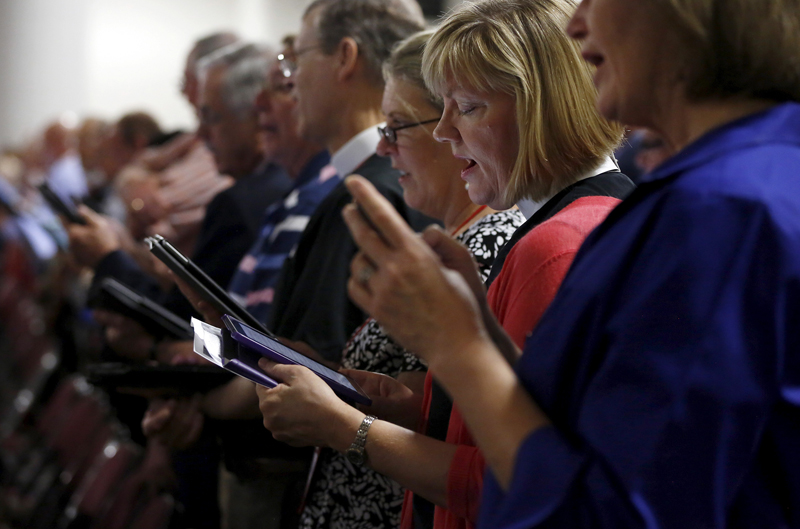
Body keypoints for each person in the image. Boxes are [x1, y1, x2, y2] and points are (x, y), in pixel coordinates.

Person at [335, 0, 800, 527]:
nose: (577, 24)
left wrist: (454, 344)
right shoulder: (725, 184)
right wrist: (477, 327)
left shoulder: (723, 209)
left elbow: (607, 510)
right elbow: (576, 425)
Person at [257, 2, 633, 528]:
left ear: (540, 108)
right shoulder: (571, 224)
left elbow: (509, 481)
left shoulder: (558, 245)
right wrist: (405, 404)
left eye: (469, 107)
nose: (443, 131)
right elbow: (511, 425)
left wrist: (343, 426)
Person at [268, 30, 525, 529]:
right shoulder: (459, 237)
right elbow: (448, 397)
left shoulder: (491, 242)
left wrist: (345, 422)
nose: (383, 150)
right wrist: (365, 390)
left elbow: (494, 440)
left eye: (398, 127)